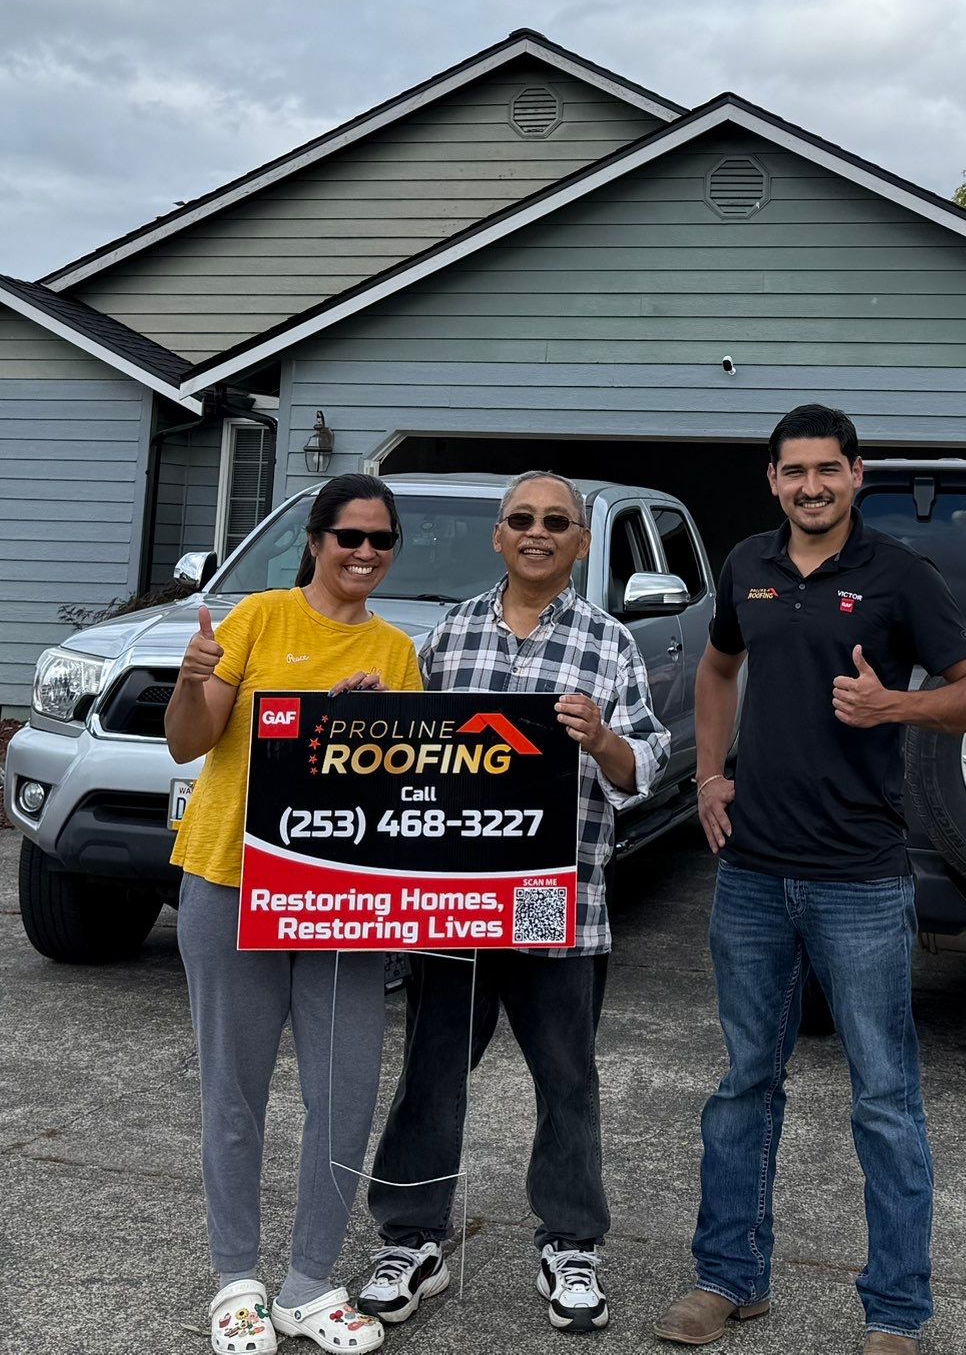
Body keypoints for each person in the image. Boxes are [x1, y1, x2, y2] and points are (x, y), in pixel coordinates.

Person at [655, 405, 966, 1355]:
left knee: (884, 1096)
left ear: (858, 475)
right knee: (743, 1085)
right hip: (755, 875)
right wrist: (714, 774)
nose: (810, 485)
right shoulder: (746, 569)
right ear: (773, 480)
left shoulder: (899, 576)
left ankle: (895, 1314)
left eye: (827, 469)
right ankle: (730, 1279)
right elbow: (717, 669)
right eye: (793, 470)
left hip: (859, 877)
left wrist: (895, 702)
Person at [353, 470, 672, 1336]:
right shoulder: (449, 635)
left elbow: (647, 766)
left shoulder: (609, 645)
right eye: (522, 520)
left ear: (579, 543)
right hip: (457, 906)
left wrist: (604, 739)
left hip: (556, 900)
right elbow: (411, 759)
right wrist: (369, 722)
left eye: (556, 523)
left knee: (566, 1077)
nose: (538, 533)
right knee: (432, 1071)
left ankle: (570, 1242)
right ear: (499, 536)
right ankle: (412, 1239)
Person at [167, 473, 426, 1355]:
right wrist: (190, 679)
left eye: (381, 541)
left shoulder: (397, 653)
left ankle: (310, 1281)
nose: (364, 554)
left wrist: (370, 732)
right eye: (349, 537)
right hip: (231, 878)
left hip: (341, 896)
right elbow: (189, 741)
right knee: (233, 1092)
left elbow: (405, 790)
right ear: (315, 539)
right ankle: (236, 1278)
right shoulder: (257, 620)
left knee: (343, 1093)